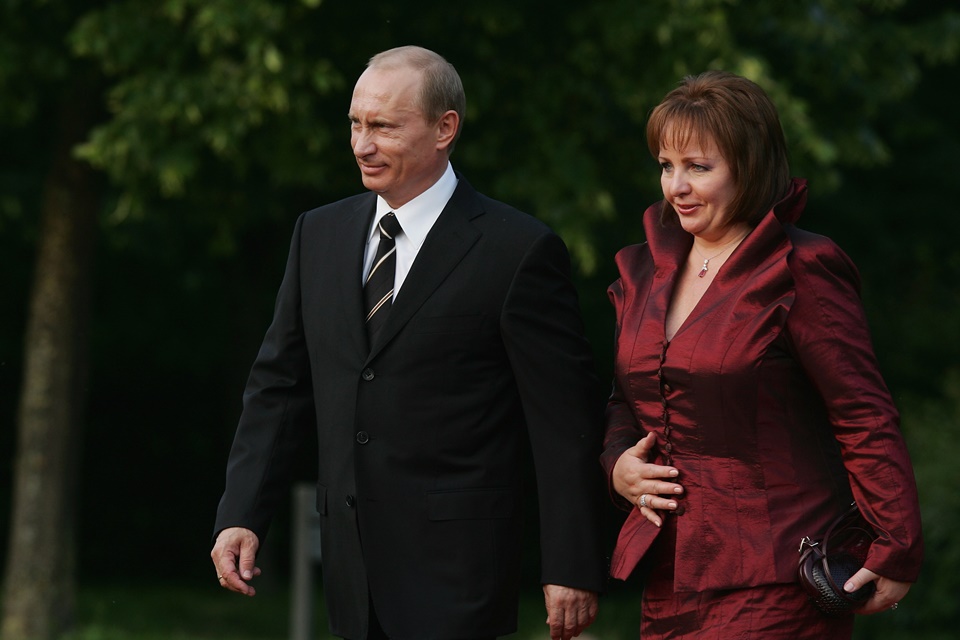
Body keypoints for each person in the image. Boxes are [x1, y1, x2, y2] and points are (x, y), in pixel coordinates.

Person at [210, 46, 607, 640]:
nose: (362, 145)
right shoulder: (316, 234)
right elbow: (279, 387)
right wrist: (241, 513)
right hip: (350, 574)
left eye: (383, 127)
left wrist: (572, 564)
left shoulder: (517, 251)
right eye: (355, 124)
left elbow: (562, 425)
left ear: (445, 128)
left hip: (460, 576)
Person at [601, 71, 923, 638]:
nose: (676, 186)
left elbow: (863, 414)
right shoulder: (645, 269)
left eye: (699, 167)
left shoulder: (801, 269)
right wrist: (618, 467)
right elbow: (626, 397)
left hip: (777, 575)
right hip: (669, 576)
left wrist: (895, 543)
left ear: (749, 167)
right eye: (666, 165)